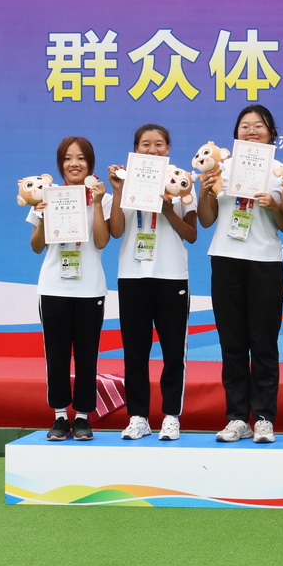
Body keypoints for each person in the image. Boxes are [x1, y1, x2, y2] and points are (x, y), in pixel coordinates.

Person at [198, 104, 283, 444]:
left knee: (263, 343)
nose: (251, 131)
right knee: (232, 343)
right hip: (226, 259)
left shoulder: (281, 172)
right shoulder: (221, 168)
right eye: (245, 126)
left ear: (272, 133)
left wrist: (277, 206)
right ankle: (236, 418)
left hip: (265, 262)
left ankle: (263, 418)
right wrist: (205, 189)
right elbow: (206, 220)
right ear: (236, 133)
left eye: (259, 126)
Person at [106, 124, 197, 442]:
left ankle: (171, 416)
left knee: (173, 351)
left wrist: (169, 211)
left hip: (172, 275)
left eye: (159, 144)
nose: (152, 150)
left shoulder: (181, 182)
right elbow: (116, 231)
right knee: (135, 351)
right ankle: (138, 417)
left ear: (168, 148)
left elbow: (192, 234)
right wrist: (118, 190)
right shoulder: (125, 182)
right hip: (133, 275)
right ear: (136, 149)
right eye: (145, 144)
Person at [30, 136, 110, 441]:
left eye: (80, 158)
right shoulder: (47, 196)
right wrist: (42, 216)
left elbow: (101, 241)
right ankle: (60, 416)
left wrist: (98, 202)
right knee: (57, 355)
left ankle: (84, 417)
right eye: (67, 158)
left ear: (90, 163)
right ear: (60, 164)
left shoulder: (102, 197)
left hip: (90, 289)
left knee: (88, 355)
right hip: (54, 287)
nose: (74, 164)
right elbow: (36, 246)